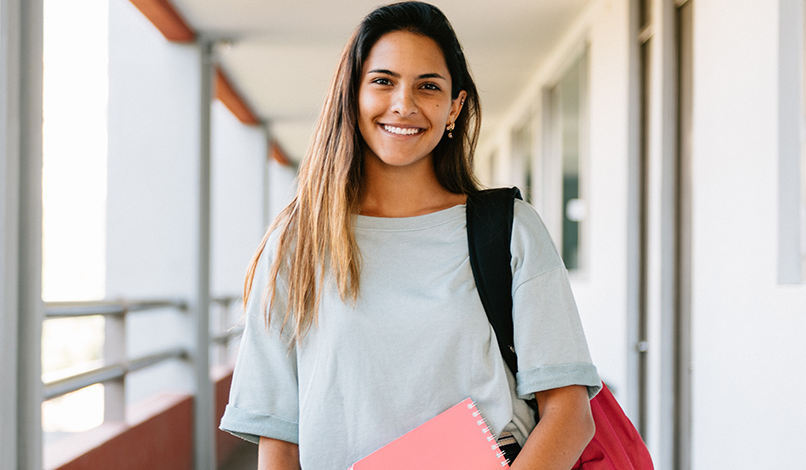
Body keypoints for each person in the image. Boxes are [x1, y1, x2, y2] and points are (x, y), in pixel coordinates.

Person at [219, 2, 602, 469]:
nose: (404, 103)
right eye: (383, 81)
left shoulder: (510, 230)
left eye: (428, 86)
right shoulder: (298, 242)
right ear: (353, 94)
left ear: (454, 106)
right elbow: (279, 441)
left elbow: (569, 414)